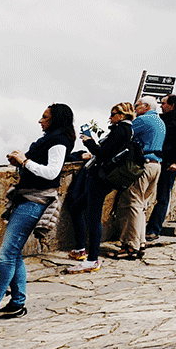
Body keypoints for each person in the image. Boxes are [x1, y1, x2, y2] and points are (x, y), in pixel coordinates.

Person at [0, 104, 76, 327]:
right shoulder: (50, 138)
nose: (40, 120)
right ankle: (17, 304)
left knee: (6, 254)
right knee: (14, 253)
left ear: (56, 119)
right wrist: (20, 162)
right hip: (26, 197)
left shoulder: (59, 141)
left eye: (45, 117)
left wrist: (25, 161)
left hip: (34, 201)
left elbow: (52, 172)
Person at [66, 103, 140, 273]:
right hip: (104, 177)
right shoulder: (129, 130)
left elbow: (103, 153)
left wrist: (89, 141)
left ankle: (92, 259)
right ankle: (80, 249)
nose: (110, 118)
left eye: (113, 114)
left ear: (122, 115)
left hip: (101, 178)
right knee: (77, 207)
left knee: (93, 217)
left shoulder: (120, 130)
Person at [115, 97, 165, 259]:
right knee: (142, 205)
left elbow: (124, 134)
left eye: (137, 106)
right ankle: (141, 241)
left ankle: (132, 245)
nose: (135, 109)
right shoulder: (160, 122)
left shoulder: (143, 120)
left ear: (146, 106)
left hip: (142, 165)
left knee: (133, 203)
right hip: (156, 165)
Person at [147, 94, 176, 239]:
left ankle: (153, 230)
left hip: (169, 164)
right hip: (156, 160)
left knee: (162, 197)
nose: (161, 106)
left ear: (172, 105)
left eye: (164, 103)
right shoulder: (161, 119)